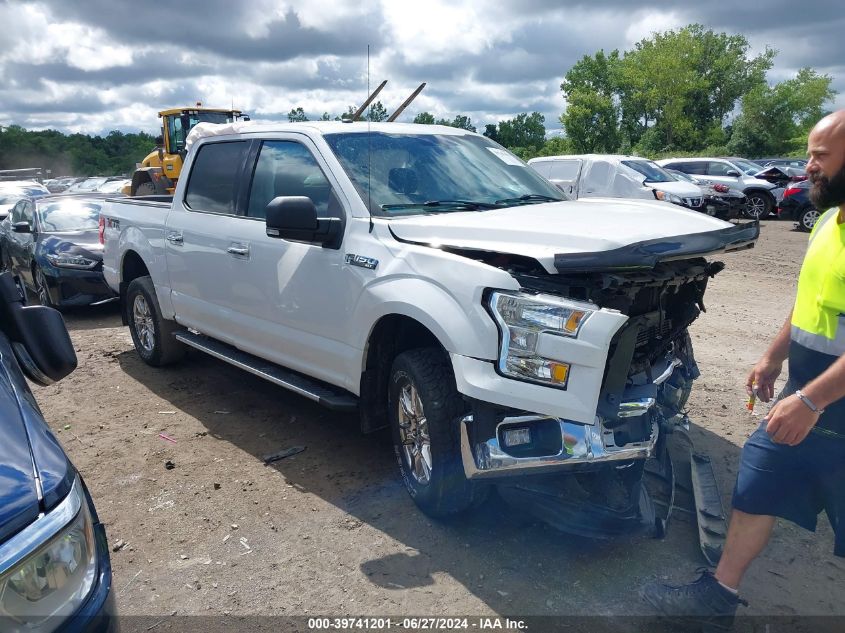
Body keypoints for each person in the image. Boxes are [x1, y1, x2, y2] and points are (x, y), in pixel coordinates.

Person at [642, 110, 845, 628]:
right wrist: (772, 359)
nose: (807, 167)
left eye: (820, 156)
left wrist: (810, 400)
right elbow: (808, 304)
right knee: (759, 477)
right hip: (813, 394)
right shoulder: (826, 221)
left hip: (823, 401)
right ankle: (716, 599)